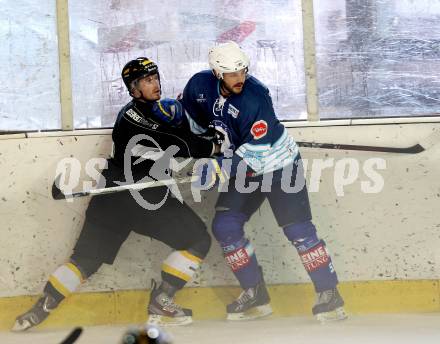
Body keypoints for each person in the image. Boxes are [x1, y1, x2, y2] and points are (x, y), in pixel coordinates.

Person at [12, 57, 228, 331]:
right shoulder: (136, 119)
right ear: (134, 89)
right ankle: (162, 299)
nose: (155, 85)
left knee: (85, 260)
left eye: (156, 78)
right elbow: (183, 143)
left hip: (111, 197)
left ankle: (42, 307)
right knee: (197, 240)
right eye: (147, 81)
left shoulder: (143, 112)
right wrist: (218, 146)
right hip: (143, 200)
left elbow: (181, 137)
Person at [181, 42, 347, 322]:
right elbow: (194, 125)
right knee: (225, 226)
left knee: (299, 232)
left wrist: (219, 169)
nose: (240, 79)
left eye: (243, 71)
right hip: (243, 166)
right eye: (232, 74)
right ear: (216, 73)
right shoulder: (199, 86)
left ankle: (330, 295)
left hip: (279, 166)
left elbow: (258, 155)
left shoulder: (255, 97)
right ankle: (255, 294)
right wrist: (198, 153)